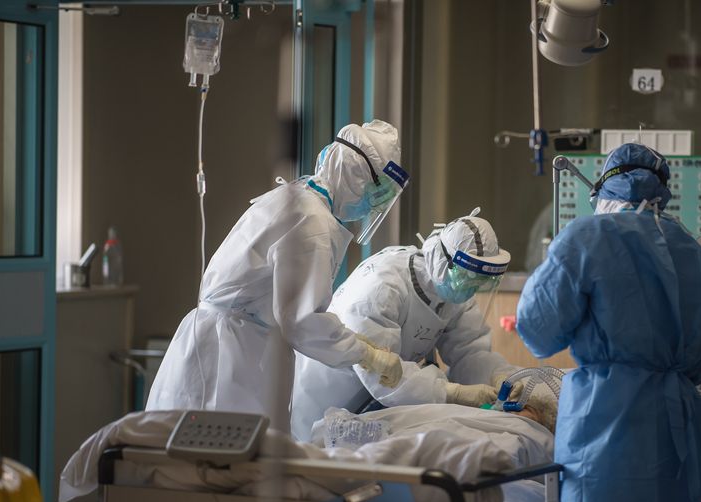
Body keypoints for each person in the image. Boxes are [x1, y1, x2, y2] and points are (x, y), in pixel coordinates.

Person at [516, 143, 701, 502]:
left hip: (606, 425)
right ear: (664, 190)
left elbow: (537, 329)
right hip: (679, 424)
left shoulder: (586, 237)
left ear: (603, 187)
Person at [147, 120, 407, 428]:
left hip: (224, 343)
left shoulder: (297, 199)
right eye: (377, 191)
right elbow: (301, 321)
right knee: (217, 447)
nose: (375, 204)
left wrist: (358, 344)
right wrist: (366, 354)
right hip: (230, 357)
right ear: (354, 175)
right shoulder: (312, 222)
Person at [290, 211, 559, 441]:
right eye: (468, 276)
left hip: (379, 410)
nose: (471, 287)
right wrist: (452, 393)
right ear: (443, 261)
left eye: (479, 281)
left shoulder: (454, 291)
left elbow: (470, 352)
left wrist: (497, 376)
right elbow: (383, 376)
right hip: (328, 396)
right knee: (322, 453)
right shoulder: (382, 287)